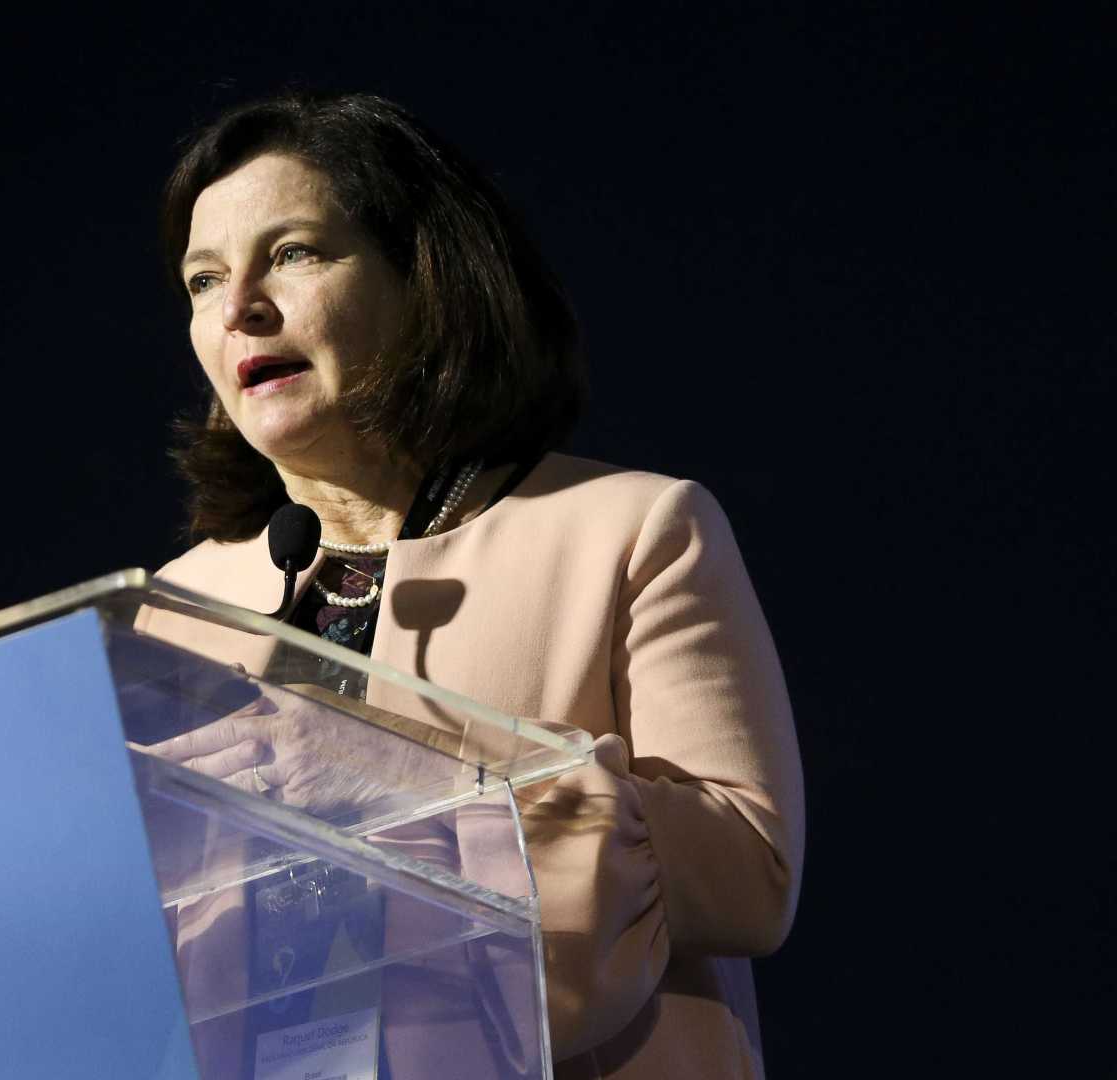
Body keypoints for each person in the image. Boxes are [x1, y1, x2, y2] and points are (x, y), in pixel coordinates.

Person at [137, 92, 804, 1079]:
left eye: (295, 254)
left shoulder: (631, 531)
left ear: (425, 280)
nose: (238, 308)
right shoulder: (175, 610)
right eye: (204, 279)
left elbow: (752, 875)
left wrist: (406, 767)